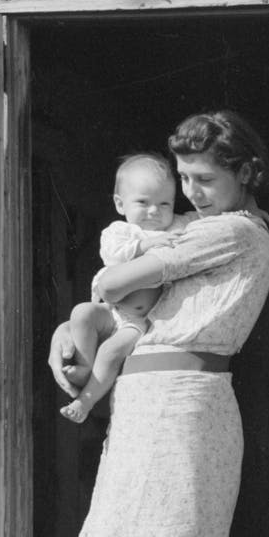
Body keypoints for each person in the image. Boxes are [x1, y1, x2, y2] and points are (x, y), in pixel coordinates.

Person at [48, 110, 269, 537]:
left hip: (187, 409)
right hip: (147, 405)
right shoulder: (191, 228)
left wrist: (100, 299)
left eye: (205, 178)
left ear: (246, 174)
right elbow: (110, 301)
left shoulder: (236, 230)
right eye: (183, 178)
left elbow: (115, 284)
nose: (192, 190)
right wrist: (71, 329)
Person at [60, 153, 192, 424]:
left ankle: (85, 401)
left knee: (109, 353)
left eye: (164, 203)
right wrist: (145, 246)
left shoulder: (177, 225)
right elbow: (113, 256)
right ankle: (85, 367)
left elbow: (204, 224)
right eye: (143, 202)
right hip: (110, 310)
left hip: (138, 321)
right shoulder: (120, 232)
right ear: (120, 204)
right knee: (81, 313)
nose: (154, 212)